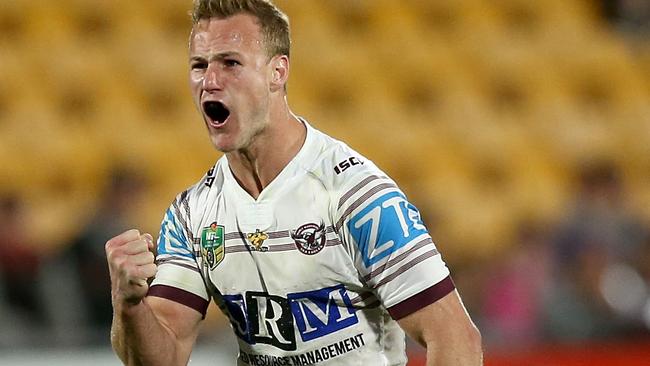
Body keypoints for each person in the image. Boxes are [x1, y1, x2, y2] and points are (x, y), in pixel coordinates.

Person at [105, 1, 482, 365]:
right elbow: (162, 356)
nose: (211, 81)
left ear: (278, 72)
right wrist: (129, 304)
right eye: (199, 65)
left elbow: (456, 340)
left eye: (230, 63)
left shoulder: (355, 196)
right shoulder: (190, 216)